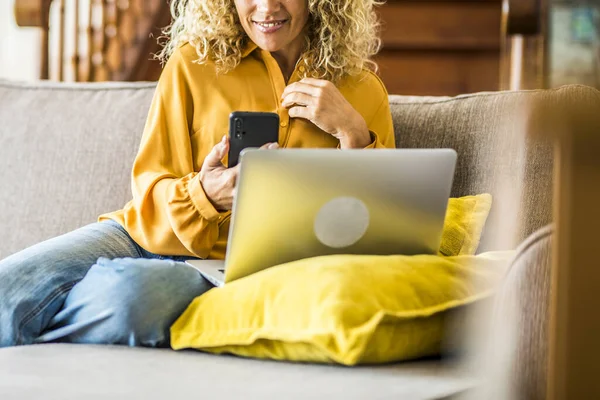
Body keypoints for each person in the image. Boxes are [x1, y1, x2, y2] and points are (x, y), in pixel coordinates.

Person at [0, 0, 395, 348]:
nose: (266, 7)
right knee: (8, 285)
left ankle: (44, 329)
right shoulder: (193, 63)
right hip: (143, 234)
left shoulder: (362, 92)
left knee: (128, 298)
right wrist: (205, 194)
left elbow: (379, 229)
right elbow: (150, 186)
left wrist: (354, 134)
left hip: (226, 270)